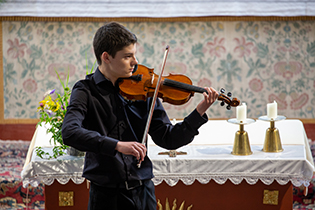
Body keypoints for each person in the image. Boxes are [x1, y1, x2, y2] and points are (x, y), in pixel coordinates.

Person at [61, 21, 218, 210]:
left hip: (143, 192)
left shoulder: (144, 89)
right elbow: (69, 132)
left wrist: (199, 112)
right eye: (128, 56)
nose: (135, 62)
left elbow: (168, 138)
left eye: (134, 55)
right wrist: (117, 145)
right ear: (106, 57)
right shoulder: (85, 90)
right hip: (105, 196)